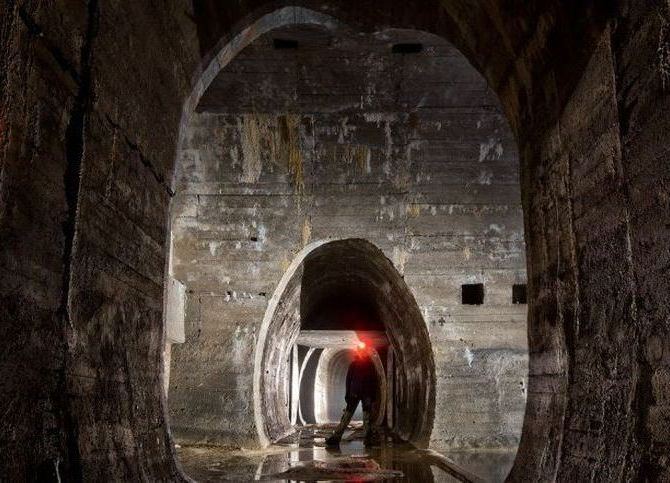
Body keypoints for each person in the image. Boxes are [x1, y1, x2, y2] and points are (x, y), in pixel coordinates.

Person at [325, 342, 378, 447]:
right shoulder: (354, 364)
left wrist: (373, 396)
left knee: (367, 417)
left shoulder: (370, 365)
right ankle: (336, 438)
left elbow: (374, 381)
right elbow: (348, 380)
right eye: (360, 351)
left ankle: (367, 440)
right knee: (346, 417)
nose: (362, 353)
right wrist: (347, 394)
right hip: (354, 393)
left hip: (366, 393)